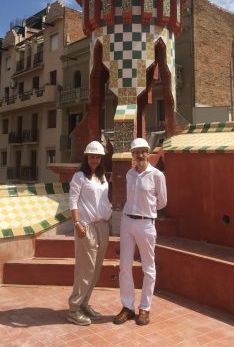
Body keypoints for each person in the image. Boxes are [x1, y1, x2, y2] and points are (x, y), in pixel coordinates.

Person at [113, 138, 167, 326]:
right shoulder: (129, 174)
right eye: (137, 152)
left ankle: (145, 308)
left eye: (143, 151)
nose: (140, 155)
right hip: (127, 221)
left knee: (148, 268)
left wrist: (148, 211)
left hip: (145, 224)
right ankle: (127, 307)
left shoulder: (157, 175)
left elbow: (162, 202)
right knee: (124, 266)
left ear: (148, 152)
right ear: (133, 155)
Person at [67, 141, 112, 326]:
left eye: (98, 156)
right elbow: (73, 200)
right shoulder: (80, 176)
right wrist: (76, 223)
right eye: (92, 156)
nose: (94, 159)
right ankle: (73, 308)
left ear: (101, 159)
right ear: (87, 157)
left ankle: (84, 302)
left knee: (96, 269)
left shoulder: (101, 178)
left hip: (102, 225)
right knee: (86, 269)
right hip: (86, 226)